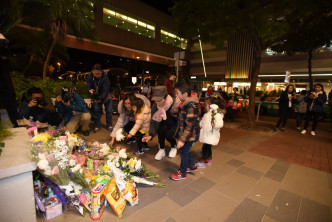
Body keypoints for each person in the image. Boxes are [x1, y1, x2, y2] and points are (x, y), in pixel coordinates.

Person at [170, 79, 200, 181]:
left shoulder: (192, 106)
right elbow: (174, 115)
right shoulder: (183, 103)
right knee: (185, 151)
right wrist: (175, 106)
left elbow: (190, 125)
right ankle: (191, 166)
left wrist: (182, 140)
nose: (176, 95)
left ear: (185, 94)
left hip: (190, 135)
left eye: (177, 93)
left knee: (183, 152)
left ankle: (182, 172)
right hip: (184, 132)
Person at [142, 86, 178, 160]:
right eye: (155, 100)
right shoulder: (155, 106)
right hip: (163, 125)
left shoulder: (174, 103)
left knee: (169, 134)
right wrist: (151, 135)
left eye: (159, 100)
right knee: (161, 130)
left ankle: (174, 146)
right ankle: (162, 149)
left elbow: (179, 119)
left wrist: (176, 109)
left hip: (174, 125)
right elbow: (153, 122)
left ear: (166, 97)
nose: (157, 102)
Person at [196, 96, 224, 168]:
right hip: (206, 135)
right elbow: (202, 123)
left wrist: (215, 124)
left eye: (206, 105)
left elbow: (220, 124)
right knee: (208, 148)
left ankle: (204, 161)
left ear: (211, 106)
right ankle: (209, 158)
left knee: (205, 148)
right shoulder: (206, 114)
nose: (205, 107)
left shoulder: (217, 115)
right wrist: (199, 122)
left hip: (210, 136)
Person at [86, 64, 112, 132]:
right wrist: (89, 90)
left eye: (99, 73)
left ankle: (109, 125)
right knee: (97, 110)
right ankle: (97, 126)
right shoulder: (89, 76)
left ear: (101, 71)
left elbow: (105, 90)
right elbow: (88, 86)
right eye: (96, 74)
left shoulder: (105, 77)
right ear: (92, 71)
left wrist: (100, 99)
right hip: (96, 95)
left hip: (107, 96)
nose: (97, 75)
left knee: (108, 110)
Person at [0, 34, 19, 127]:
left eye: (3, 43)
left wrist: (5, 57)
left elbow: (14, 66)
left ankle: (16, 124)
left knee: (12, 108)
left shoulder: (5, 56)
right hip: (4, 85)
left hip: (6, 86)